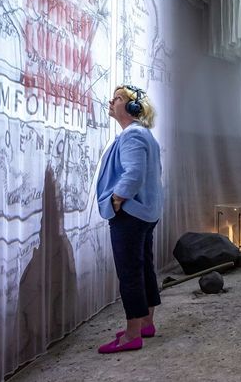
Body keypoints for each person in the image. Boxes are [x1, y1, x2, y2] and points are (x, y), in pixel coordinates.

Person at [95, 84, 163, 353]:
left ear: (133, 107)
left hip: (131, 214)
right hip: (145, 213)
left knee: (130, 272)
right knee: (144, 266)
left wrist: (116, 199)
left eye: (119, 98)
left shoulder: (131, 135)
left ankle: (132, 334)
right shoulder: (142, 134)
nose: (112, 100)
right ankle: (146, 322)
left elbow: (133, 174)